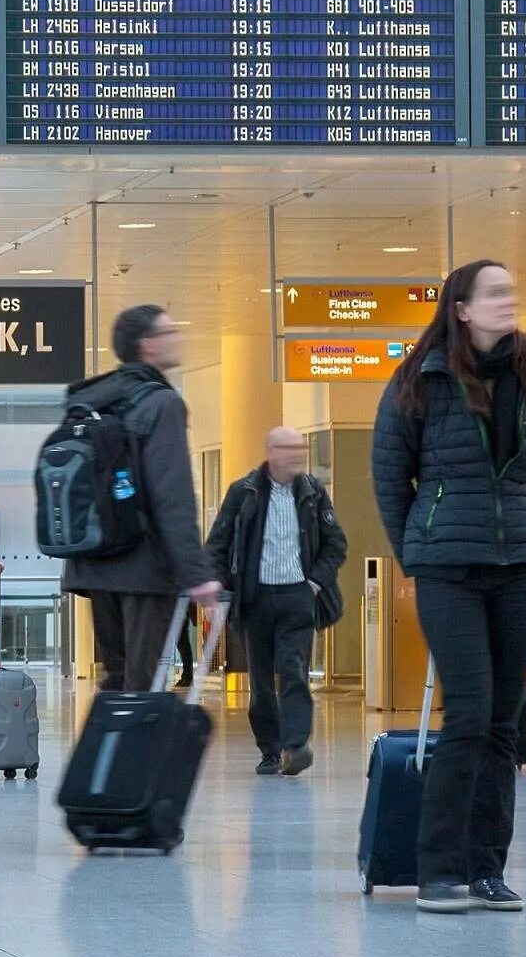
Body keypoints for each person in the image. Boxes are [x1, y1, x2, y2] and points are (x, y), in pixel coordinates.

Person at [372, 259, 526, 915]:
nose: (506, 301)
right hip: (448, 567)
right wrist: (416, 552)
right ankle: (439, 868)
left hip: (523, 567)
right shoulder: (418, 380)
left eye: (512, 290)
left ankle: (489, 868)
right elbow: (388, 476)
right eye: (493, 293)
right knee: (467, 712)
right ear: (460, 307)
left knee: (501, 722)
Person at [61, 305, 220, 692]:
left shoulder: (91, 400)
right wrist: (196, 574)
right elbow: (172, 494)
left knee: (116, 682)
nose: (177, 338)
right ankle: (132, 753)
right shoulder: (162, 403)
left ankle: (107, 752)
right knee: (143, 685)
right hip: (144, 568)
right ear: (147, 346)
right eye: (169, 331)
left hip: (95, 563)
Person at [208, 426, 350, 778]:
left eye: (299, 448)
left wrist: (315, 583)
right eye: (288, 448)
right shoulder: (244, 492)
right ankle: (269, 750)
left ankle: (296, 744)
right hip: (255, 597)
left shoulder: (313, 493)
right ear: (271, 451)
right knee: (260, 679)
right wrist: (214, 585)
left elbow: (336, 544)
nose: (296, 454)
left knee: (293, 670)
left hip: (298, 595)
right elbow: (218, 543)